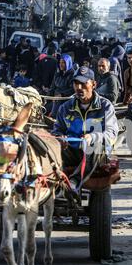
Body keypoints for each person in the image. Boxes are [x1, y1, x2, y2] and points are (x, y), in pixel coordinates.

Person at [52, 66, 118, 199]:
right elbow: (56, 130)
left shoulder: (105, 106)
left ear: (94, 84)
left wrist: (93, 137)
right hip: (72, 151)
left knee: (96, 146)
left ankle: (74, 182)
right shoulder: (65, 107)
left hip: (96, 155)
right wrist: (59, 138)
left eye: (83, 83)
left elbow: (111, 133)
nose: (79, 88)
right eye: (76, 83)